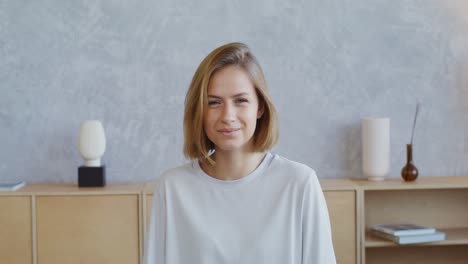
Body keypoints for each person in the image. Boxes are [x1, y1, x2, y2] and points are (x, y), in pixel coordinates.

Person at [144, 42, 336, 264]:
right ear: (200, 111)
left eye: (241, 101)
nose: (228, 115)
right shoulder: (173, 188)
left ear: (260, 107)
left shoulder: (300, 184)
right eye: (214, 103)